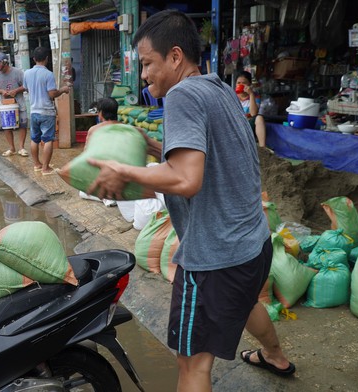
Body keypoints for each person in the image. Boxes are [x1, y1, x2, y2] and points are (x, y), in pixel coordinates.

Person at [86, 10, 294, 391]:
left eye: (148, 63)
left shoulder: (181, 96)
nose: (144, 75)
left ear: (176, 56)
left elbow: (185, 178)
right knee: (245, 303)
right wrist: (149, 145)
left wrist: (124, 170)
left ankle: (270, 356)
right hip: (253, 245)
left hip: (213, 259)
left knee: (192, 364)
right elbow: (200, 155)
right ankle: (275, 357)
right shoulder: (218, 88)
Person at [23, 46, 70, 175]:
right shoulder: (48, 74)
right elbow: (52, 94)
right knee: (48, 139)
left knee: (34, 139)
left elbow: (26, 89)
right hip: (47, 112)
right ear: (47, 59)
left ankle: (37, 164)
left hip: (33, 111)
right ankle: (45, 168)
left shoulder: (27, 73)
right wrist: (63, 90)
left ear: (34, 59)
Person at [0, 52, 28, 158]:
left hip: (19, 103)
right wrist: (2, 91)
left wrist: (16, 90)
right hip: (5, 105)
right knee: (6, 126)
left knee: (23, 124)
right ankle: (12, 148)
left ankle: (21, 147)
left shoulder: (17, 72)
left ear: (5, 62)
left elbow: (26, 85)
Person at [236, 71, 267, 147]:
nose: (240, 85)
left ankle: (262, 147)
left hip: (248, 125)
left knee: (259, 118)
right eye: (238, 83)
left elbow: (253, 114)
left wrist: (251, 94)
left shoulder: (255, 96)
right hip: (235, 125)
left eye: (244, 83)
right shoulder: (232, 95)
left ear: (249, 85)